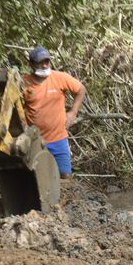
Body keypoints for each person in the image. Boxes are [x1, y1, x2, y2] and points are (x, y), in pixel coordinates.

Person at [22, 46, 86, 179]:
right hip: (35, 141)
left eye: (47, 61)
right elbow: (16, 106)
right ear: (32, 64)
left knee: (65, 176)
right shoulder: (25, 83)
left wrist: (73, 112)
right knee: (39, 180)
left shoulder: (60, 77)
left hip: (58, 139)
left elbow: (81, 90)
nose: (45, 65)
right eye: (41, 62)